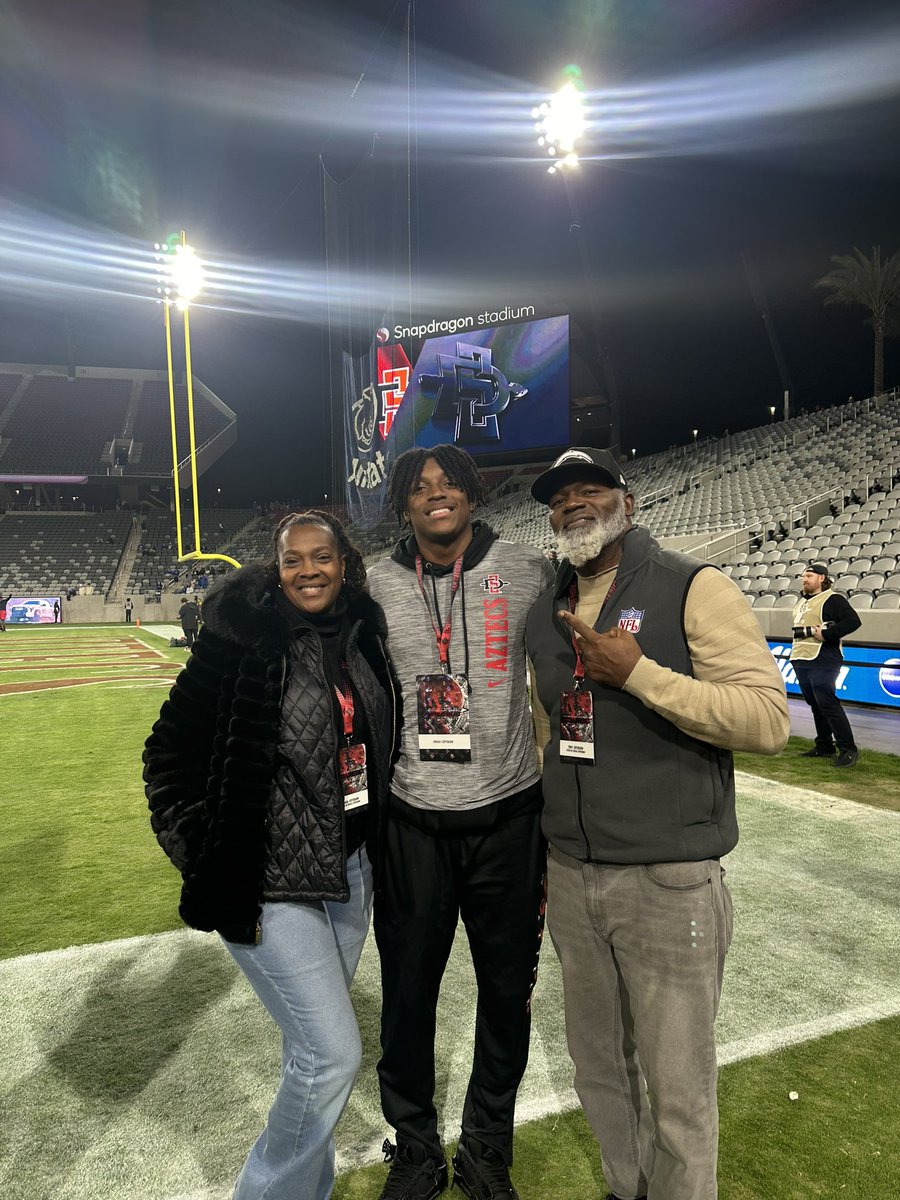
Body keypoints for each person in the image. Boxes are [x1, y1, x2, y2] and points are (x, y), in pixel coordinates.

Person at [525, 447, 790, 1200]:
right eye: (560, 497)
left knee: (678, 1089)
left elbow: (767, 720)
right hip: (574, 879)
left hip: (669, 883)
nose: (573, 504)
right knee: (599, 1069)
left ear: (628, 502)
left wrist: (639, 674)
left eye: (591, 490)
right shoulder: (549, 605)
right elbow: (548, 734)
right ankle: (625, 1188)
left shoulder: (693, 586)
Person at [143, 511, 397, 1200]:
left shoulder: (363, 632)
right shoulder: (238, 639)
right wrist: (205, 853)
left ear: (343, 562)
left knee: (308, 1053)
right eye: (294, 559)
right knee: (332, 1056)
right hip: (265, 880)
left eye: (322, 557)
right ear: (274, 565)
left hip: (348, 872)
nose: (308, 570)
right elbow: (168, 756)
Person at [366, 444, 555, 1200]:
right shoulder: (377, 582)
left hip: (510, 818)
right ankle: (414, 1147)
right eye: (419, 488)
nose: (435, 496)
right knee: (408, 996)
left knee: (506, 993)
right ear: (405, 505)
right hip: (411, 824)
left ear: (472, 495)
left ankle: (485, 1149)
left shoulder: (533, 569)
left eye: (448, 484)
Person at [790, 563, 862, 767]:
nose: (804, 579)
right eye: (803, 576)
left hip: (823, 657)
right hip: (801, 657)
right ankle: (824, 745)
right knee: (816, 704)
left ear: (822, 578)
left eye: (809, 576)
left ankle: (848, 749)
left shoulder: (833, 599)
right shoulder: (802, 602)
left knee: (828, 703)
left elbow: (853, 621)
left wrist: (827, 634)